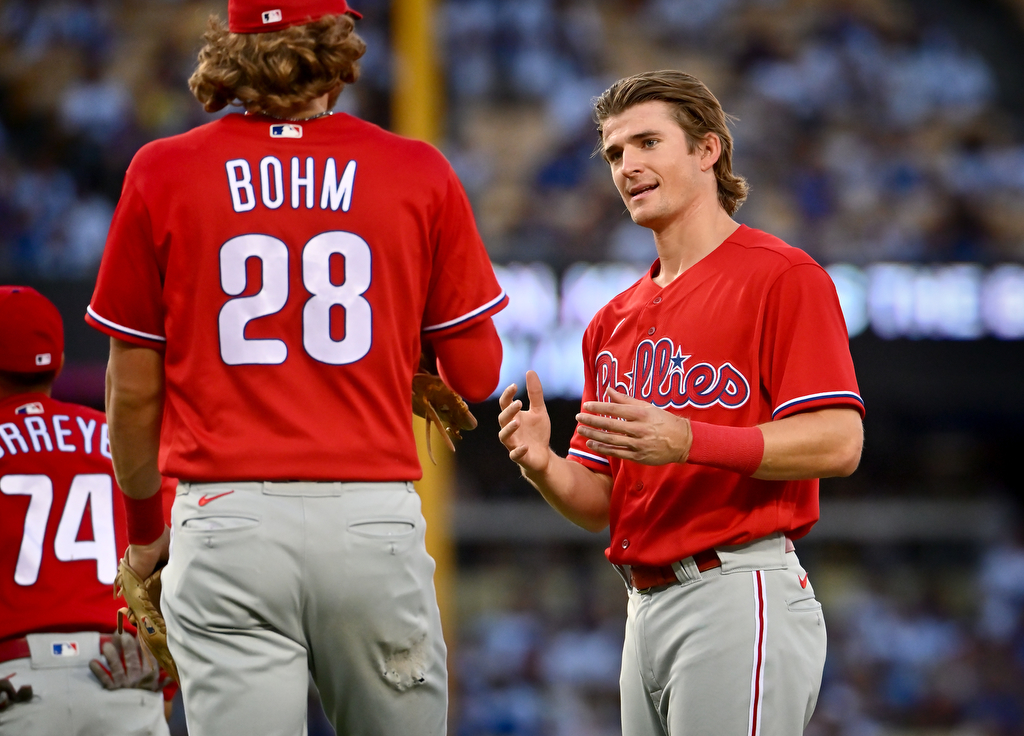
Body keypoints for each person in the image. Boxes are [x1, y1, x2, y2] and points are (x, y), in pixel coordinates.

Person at [84, 1, 507, 734]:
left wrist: (148, 527)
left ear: (231, 50)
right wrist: (392, 345)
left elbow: (131, 391)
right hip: (370, 519)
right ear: (339, 46)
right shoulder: (415, 168)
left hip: (225, 519)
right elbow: (476, 374)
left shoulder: (163, 170)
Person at [498, 70, 865, 736]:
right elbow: (605, 502)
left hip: (735, 588)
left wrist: (691, 439)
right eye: (615, 153)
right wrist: (543, 465)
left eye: (647, 142)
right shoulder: (610, 321)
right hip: (642, 608)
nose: (628, 165)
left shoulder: (781, 276)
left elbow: (838, 442)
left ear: (707, 150)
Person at [0, 285, 171, 735]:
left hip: (16, 687)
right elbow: (183, 556)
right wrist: (164, 680)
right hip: (122, 678)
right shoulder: (120, 443)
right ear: (56, 362)